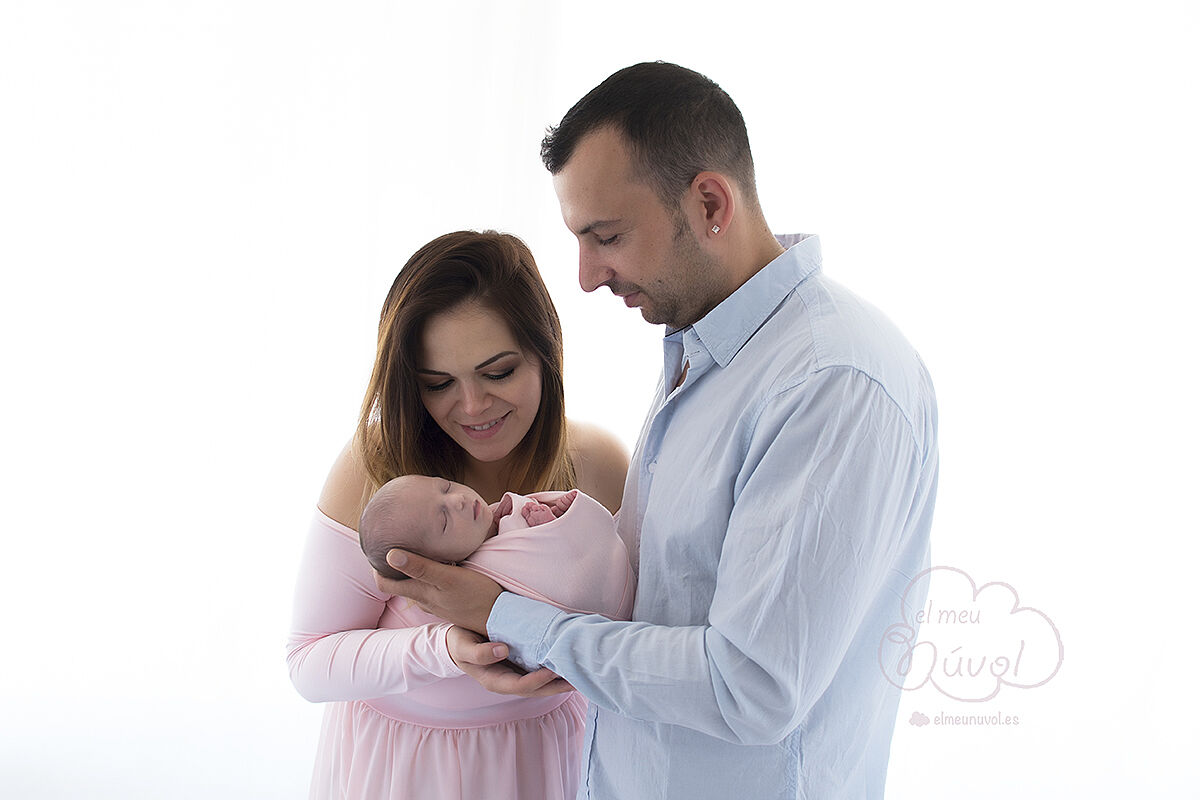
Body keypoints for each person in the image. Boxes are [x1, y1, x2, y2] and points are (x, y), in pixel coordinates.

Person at [376, 62, 939, 799]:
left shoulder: (827, 384)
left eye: (605, 235)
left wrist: (507, 615)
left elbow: (751, 687)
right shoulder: (709, 356)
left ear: (709, 202)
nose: (584, 275)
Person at [287, 230, 628, 800]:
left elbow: (643, 629)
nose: (472, 408)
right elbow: (308, 660)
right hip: (405, 773)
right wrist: (445, 651)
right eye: (439, 384)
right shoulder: (375, 470)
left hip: (556, 764)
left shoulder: (594, 467)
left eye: (498, 373)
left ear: (546, 355)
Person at [358, 475, 634, 620]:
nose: (458, 500)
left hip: (618, 568)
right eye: (444, 520)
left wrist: (558, 516)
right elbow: (546, 574)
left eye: (446, 487)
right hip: (597, 607)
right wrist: (546, 529)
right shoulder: (477, 576)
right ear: (442, 566)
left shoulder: (495, 516)